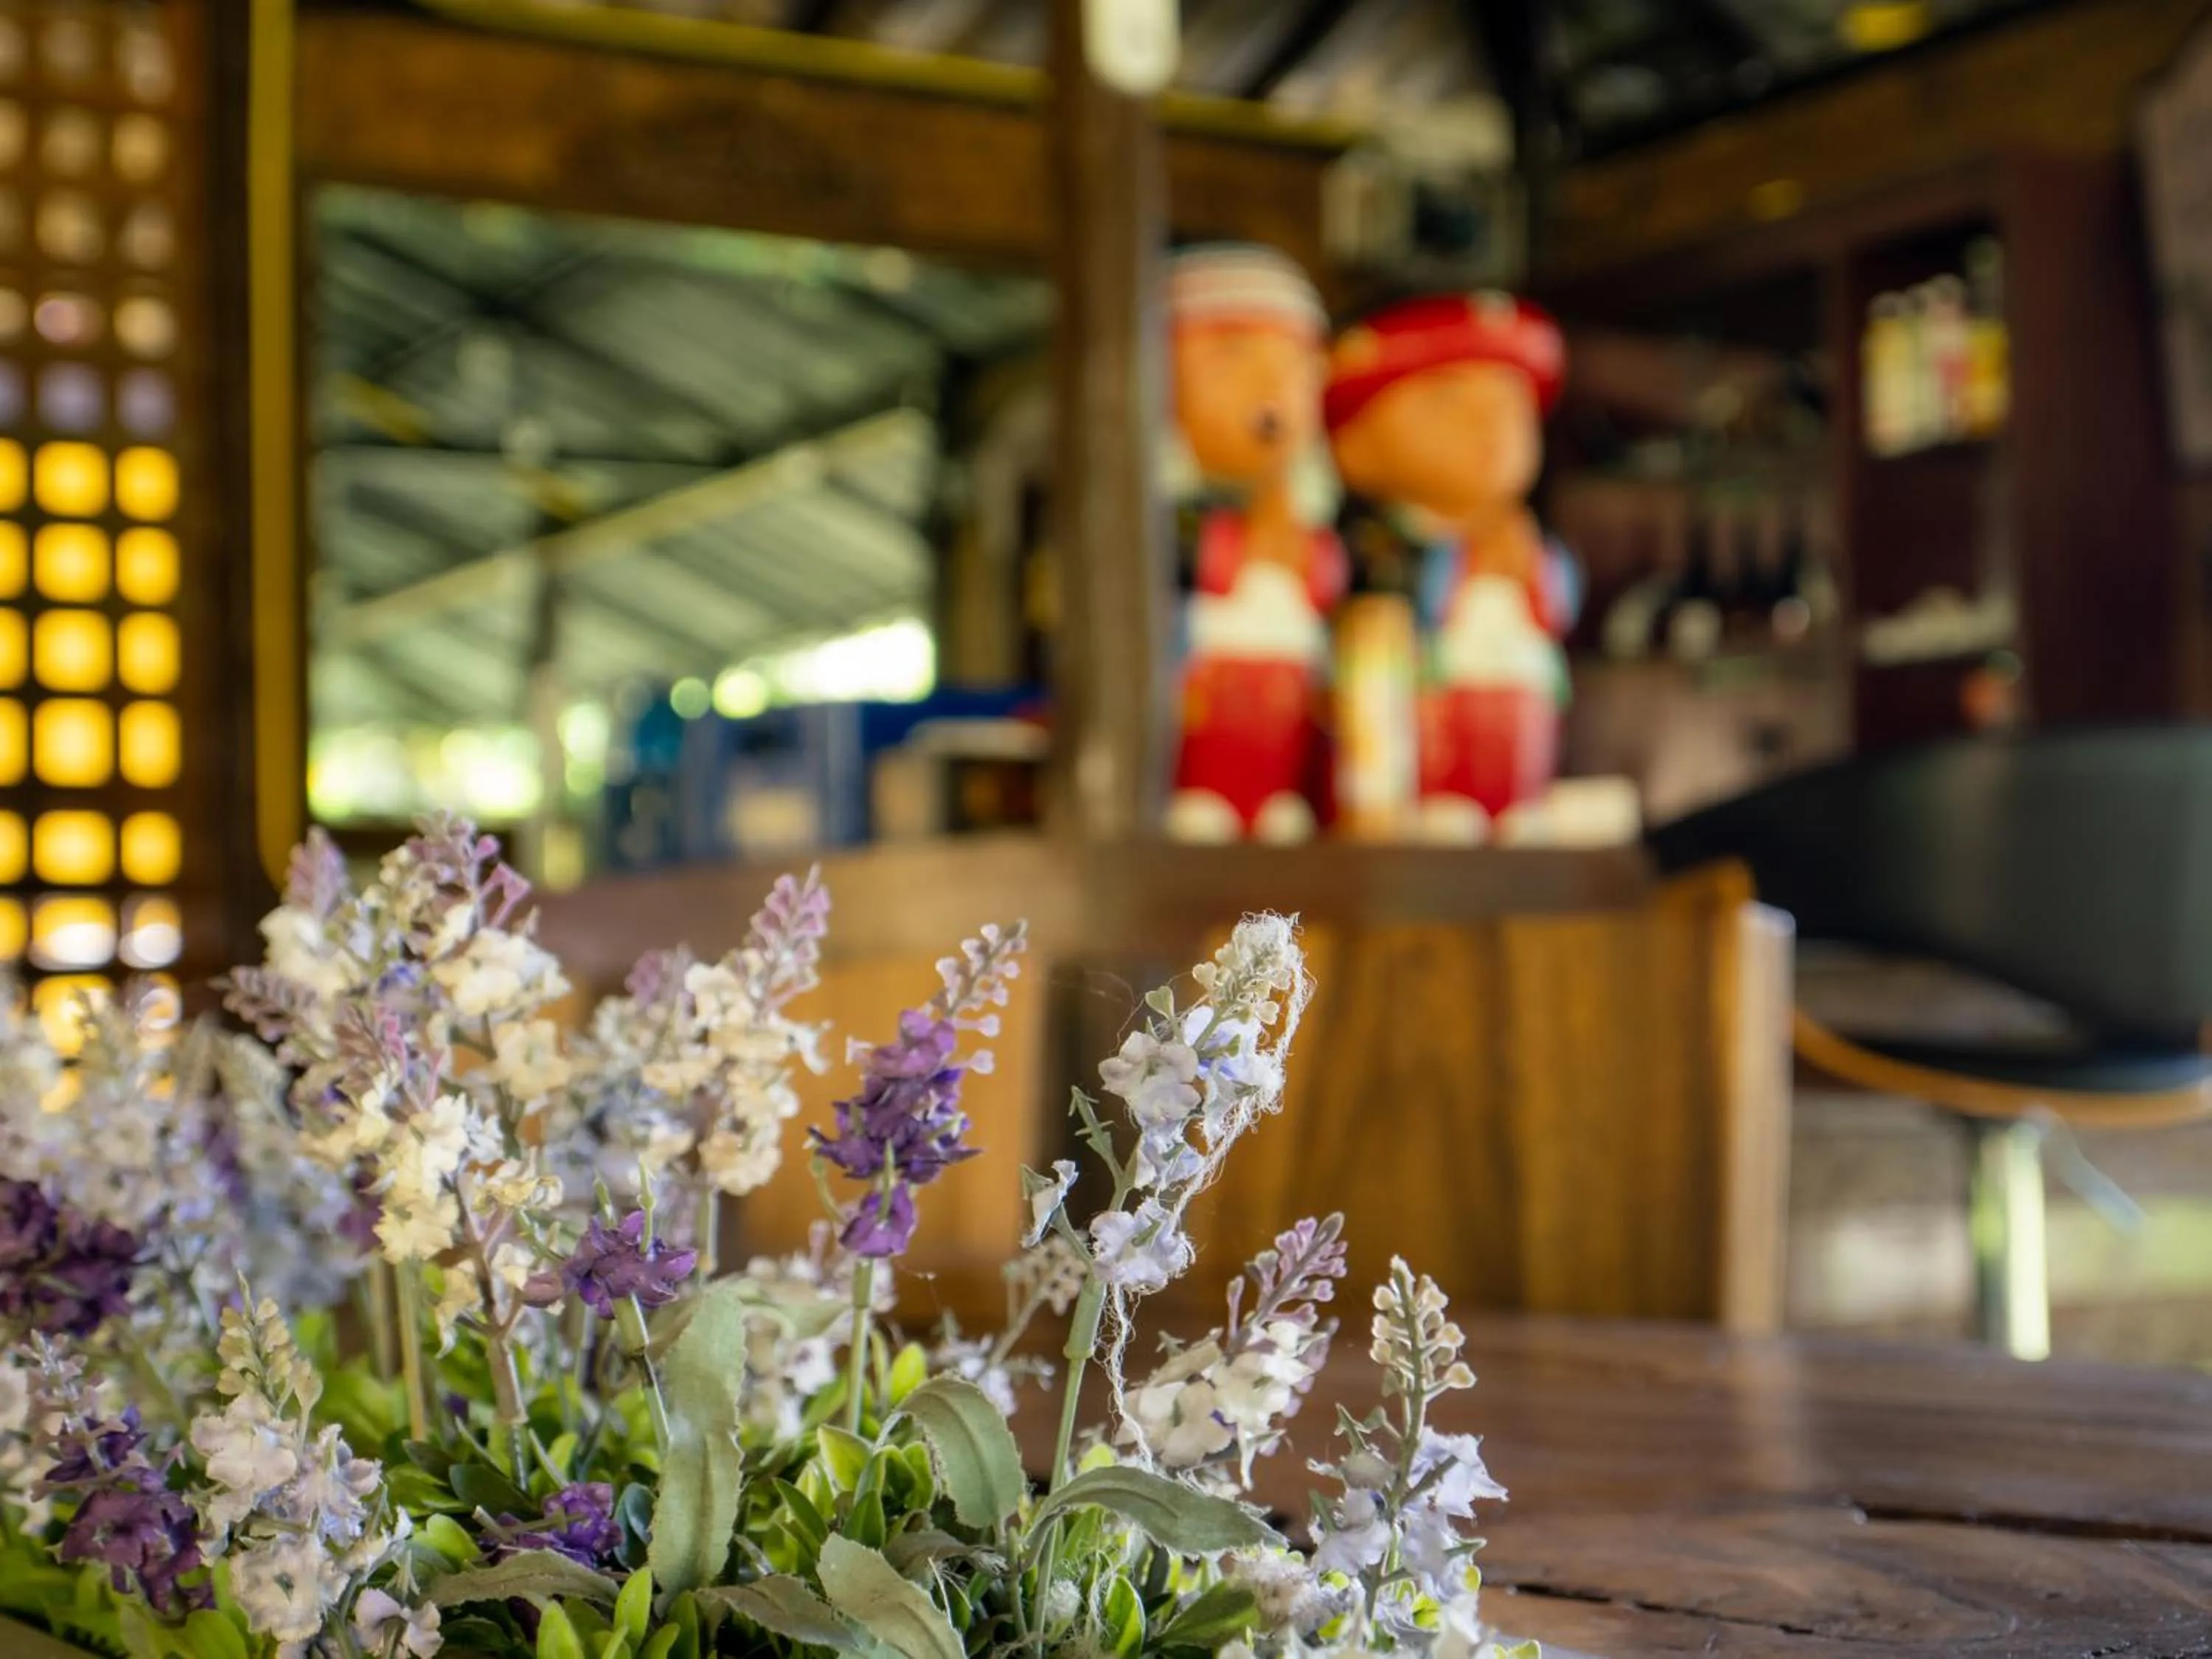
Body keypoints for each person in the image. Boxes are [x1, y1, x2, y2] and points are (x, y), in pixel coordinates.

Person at [1326, 291, 1573, 841]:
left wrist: (1532, 571)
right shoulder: (1378, 542)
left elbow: (1561, 609)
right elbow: (1377, 600)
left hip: (1518, 722)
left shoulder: (1529, 544)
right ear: (1354, 445)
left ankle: (1516, 801)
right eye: (1448, 401)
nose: (1489, 428)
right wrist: (1461, 564)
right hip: (1420, 747)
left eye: (1511, 407)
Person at [1163, 245, 1347, 844]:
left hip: (1288, 715)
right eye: (1230, 358)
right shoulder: (1171, 519)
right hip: (1196, 722)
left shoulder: (1311, 523)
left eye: (1296, 366)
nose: (1271, 387)